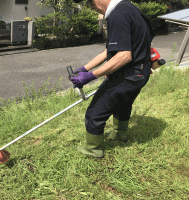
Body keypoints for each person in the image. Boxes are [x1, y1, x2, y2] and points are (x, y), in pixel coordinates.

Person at [70, 0, 154, 158]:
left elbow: (123, 56)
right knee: (123, 104)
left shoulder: (117, 15)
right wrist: (85, 68)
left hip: (128, 74)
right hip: (141, 72)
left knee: (95, 112)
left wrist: (90, 76)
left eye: (90, 3)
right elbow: (111, 49)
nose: (91, 7)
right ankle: (120, 134)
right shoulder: (128, 8)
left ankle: (93, 149)